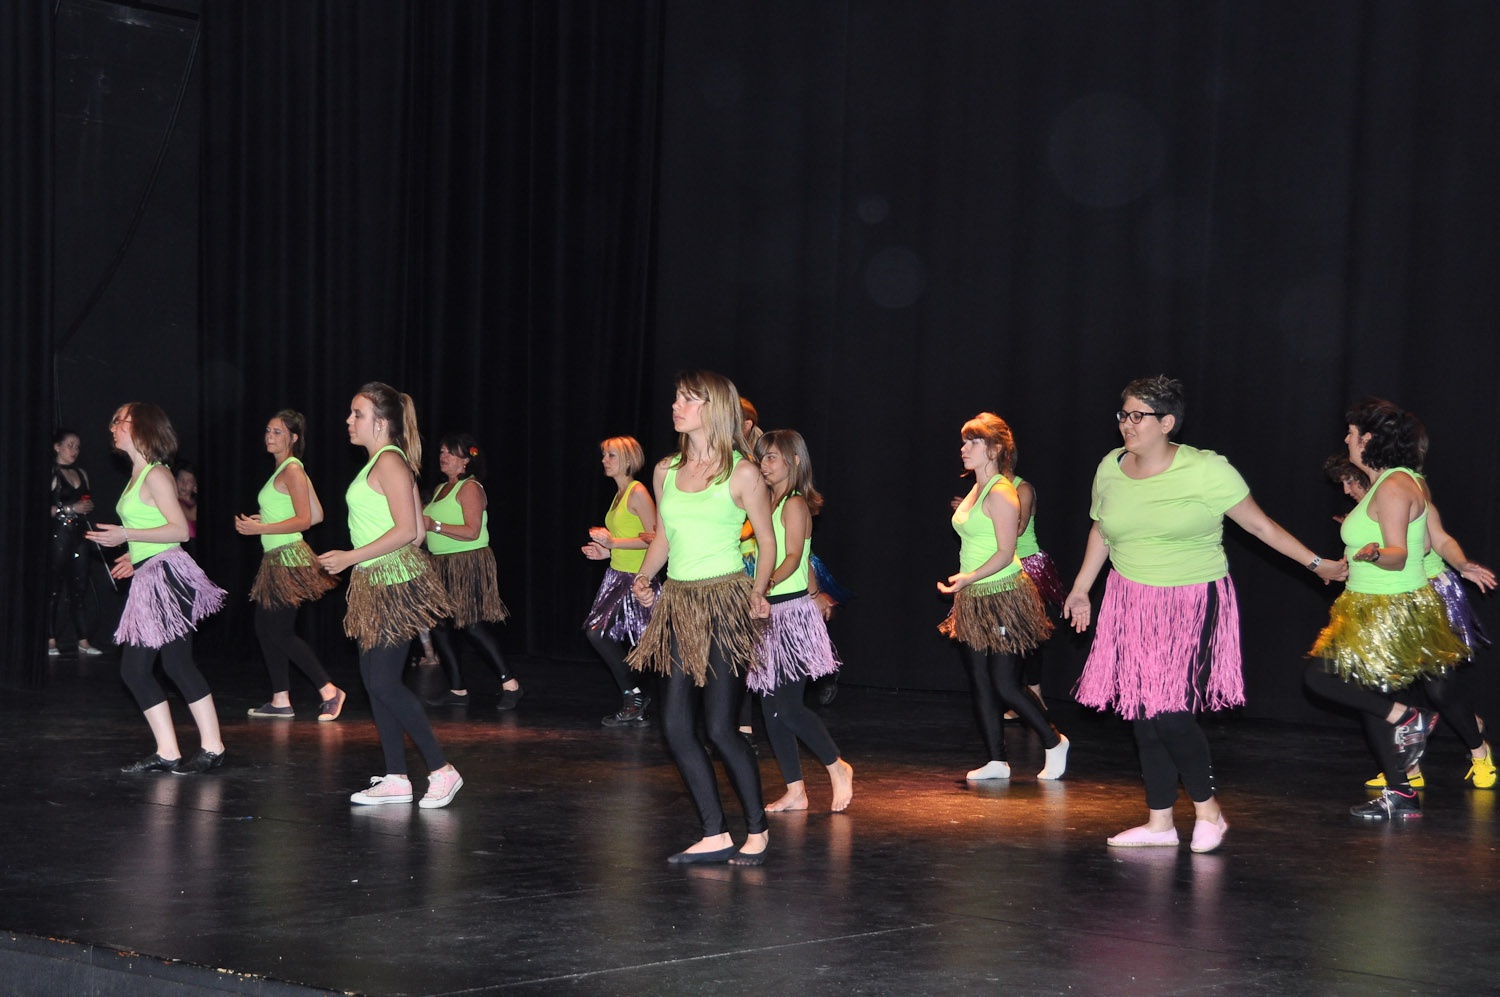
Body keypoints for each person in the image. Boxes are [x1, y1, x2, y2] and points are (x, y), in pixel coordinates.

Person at [1064, 376, 1345, 851]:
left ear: (1167, 423)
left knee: (1171, 715)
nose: (1127, 424)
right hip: (1129, 601)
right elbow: (1102, 530)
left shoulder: (1206, 469)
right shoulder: (1110, 467)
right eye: (1124, 414)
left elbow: (1260, 526)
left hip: (1191, 602)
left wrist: (1318, 564)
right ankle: (1159, 823)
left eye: (1138, 416)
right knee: (1142, 715)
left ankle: (1209, 810)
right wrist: (1080, 590)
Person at [627, 370, 776, 865]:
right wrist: (645, 577)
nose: (677, 405)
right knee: (674, 725)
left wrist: (758, 590)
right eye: (676, 397)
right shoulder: (665, 470)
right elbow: (665, 538)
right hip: (679, 602)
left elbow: (767, 541)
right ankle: (714, 832)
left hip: (726, 602)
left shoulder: (743, 473)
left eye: (689, 399)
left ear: (715, 409)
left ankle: (757, 829)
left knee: (720, 728)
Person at [1308, 400, 1475, 818]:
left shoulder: (1395, 485)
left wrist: (1373, 555)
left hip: (1389, 608)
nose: (1346, 439)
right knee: (1373, 696)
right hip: (1370, 602)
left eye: (1351, 433)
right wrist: (1350, 565)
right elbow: (1417, 541)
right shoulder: (1391, 481)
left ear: (1368, 439)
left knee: (1320, 678)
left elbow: (1398, 555)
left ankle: (1409, 719)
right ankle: (1401, 793)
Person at [317, 383, 462, 808]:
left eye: (357, 414)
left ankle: (441, 769)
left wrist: (350, 557)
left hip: (393, 582)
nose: (349, 420)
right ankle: (397, 777)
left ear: (381, 423)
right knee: (374, 682)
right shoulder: (385, 462)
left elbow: (406, 532)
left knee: (382, 681)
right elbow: (417, 535)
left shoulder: (390, 462)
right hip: (378, 581)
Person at [1325, 453, 1496, 791]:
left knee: (1439, 687)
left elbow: (1437, 540)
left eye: (1350, 482)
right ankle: (1407, 767)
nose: (1347, 490)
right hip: (1386, 601)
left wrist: (1462, 564)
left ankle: (1480, 750)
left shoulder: (1404, 488)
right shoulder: (1364, 510)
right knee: (1387, 688)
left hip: (1425, 594)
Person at [86, 404, 227, 774]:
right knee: (139, 670)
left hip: (169, 577)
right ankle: (168, 751)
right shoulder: (137, 474)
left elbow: (179, 531)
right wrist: (133, 556)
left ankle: (212, 747)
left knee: (175, 664)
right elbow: (154, 527)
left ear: (142, 427)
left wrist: (125, 535)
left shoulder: (157, 473)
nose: (113, 427)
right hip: (151, 574)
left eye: (120, 421)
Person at [939, 413, 1068, 783]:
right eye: (964, 441)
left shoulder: (1001, 491)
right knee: (980, 681)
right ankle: (997, 759)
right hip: (974, 598)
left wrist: (969, 577)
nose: (964, 448)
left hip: (1003, 596)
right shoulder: (977, 489)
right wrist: (968, 583)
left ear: (995, 449)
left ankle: (1054, 741)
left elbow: (1006, 551)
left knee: (1005, 683)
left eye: (973, 442)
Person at [750, 429, 854, 812]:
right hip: (769, 612)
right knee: (770, 707)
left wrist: (763, 585)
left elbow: (794, 556)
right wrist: (814, 592)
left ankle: (837, 766)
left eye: (772, 457)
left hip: (788, 614)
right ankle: (795, 790)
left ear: (794, 461)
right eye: (761, 457)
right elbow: (807, 558)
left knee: (789, 707)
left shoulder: (793, 503)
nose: (764, 464)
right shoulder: (768, 502)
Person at [234, 410, 345, 720]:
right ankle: (280, 699)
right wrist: (268, 519)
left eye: (278, 432)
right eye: (268, 430)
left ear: (294, 438)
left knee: (280, 631)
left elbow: (305, 520)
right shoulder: (287, 469)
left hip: (287, 559)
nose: (269, 436)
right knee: (265, 628)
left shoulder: (292, 470)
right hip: (277, 558)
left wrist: (261, 528)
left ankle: (330, 691)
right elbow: (318, 515)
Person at [420, 433, 521, 710]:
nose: (443, 456)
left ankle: (511, 684)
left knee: (472, 625)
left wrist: (434, 525)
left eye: (450, 452)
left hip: (467, 562)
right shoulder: (441, 488)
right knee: (439, 626)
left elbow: (472, 531)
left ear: (466, 460)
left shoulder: (471, 487)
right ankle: (457, 689)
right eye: (442, 451)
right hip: (439, 564)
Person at [582, 435, 659, 726]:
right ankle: (635, 696)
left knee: (599, 633)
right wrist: (605, 552)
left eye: (611, 455)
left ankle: (635, 695)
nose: (604, 460)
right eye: (604, 455)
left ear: (627, 460)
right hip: (617, 575)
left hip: (635, 579)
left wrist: (613, 543)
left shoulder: (637, 492)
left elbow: (655, 539)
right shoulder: (619, 494)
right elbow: (628, 539)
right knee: (601, 634)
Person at [1004, 457, 1064, 720]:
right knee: (1007, 636)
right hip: (1001, 566)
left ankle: (1033, 694)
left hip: (1026, 567)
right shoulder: (986, 488)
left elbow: (1018, 529)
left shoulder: (1022, 489)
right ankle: (1018, 696)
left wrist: (981, 516)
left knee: (1027, 634)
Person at [48, 428, 102, 656]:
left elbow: (85, 501)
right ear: (57, 447)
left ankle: (83, 640)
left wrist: (86, 507)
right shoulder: (51, 472)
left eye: (77, 446)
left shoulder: (81, 473)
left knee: (79, 587)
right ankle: (50, 640)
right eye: (69, 445)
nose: (74, 450)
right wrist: (71, 508)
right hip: (58, 534)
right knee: (53, 588)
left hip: (79, 534)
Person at [174, 462, 199, 543]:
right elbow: (191, 516)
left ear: (195, 485)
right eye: (181, 479)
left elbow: (193, 516)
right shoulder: (173, 501)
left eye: (189, 481)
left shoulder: (196, 501)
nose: (184, 484)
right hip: (183, 543)